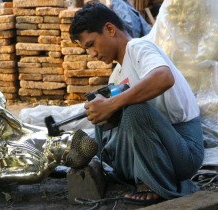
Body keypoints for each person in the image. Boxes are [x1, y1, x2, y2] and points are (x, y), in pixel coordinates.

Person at [69, 1, 204, 204]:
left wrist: (112, 104)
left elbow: (164, 78)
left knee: (135, 110)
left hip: (184, 149)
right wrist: (103, 110)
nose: (93, 54)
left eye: (91, 44)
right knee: (107, 119)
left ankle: (151, 183)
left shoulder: (138, 47)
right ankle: (141, 174)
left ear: (109, 29)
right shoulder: (116, 75)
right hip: (153, 150)